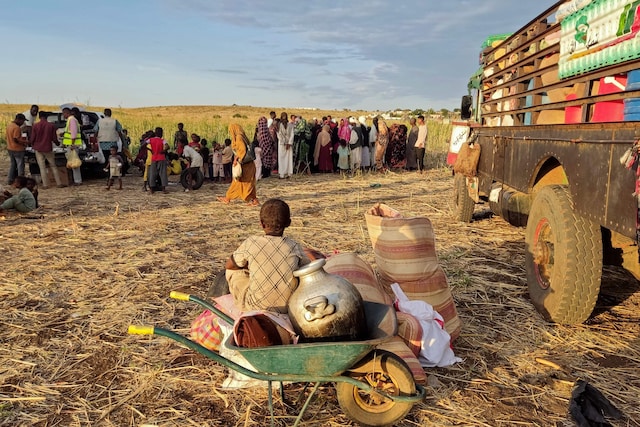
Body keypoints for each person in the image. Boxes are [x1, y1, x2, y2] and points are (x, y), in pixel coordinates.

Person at [225, 198, 311, 313]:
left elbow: (229, 265)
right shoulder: (294, 246)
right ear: (289, 223)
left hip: (255, 307)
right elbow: (308, 270)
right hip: (289, 307)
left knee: (233, 271)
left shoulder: (251, 243)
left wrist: (248, 267)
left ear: (261, 223)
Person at [217, 123, 259, 206]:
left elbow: (242, 150)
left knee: (240, 182)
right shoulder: (243, 137)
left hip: (245, 165)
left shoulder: (239, 138)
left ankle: (228, 198)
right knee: (248, 182)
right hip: (248, 165)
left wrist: (236, 159)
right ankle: (254, 200)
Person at [30, 111, 64, 188]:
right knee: (53, 165)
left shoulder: (35, 126)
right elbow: (54, 138)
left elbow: (32, 138)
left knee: (42, 167)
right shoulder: (51, 125)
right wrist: (59, 144)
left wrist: (32, 144)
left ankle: (45, 185)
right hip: (48, 147)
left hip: (38, 148)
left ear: (39, 117)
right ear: (46, 117)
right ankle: (59, 183)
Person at [5, 113, 29, 185]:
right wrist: (26, 142)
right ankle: (20, 181)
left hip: (10, 148)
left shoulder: (9, 126)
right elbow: (16, 139)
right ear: (19, 120)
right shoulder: (16, 128)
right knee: (20, 165)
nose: (23, 123)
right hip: (18, 149)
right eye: (22, 121)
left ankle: (10, 179)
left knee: (13, 165)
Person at [61, 108, 83, 185]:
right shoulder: (71, 120)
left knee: (74, 164)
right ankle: (74, 180)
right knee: (72, 163)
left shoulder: (72, 120)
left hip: (72, 145)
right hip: (70, 145)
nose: (63, 115)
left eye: (63, 114)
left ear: (66, 113)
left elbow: (73, 134)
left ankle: (77, 181)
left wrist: (72, 144)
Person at [147, 127, 169, 194]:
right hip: (161, 157)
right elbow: (168, 146)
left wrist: (151, 150)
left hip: (154, 158)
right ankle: (163, 189)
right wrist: (164, 151)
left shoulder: (151, 140)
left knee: (153, 174)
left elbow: (144, 144)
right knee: (162, 174)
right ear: (161, 133)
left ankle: (152, 189)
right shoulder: (162, 140)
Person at [277, 112, 294, 179]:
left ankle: (286, 173)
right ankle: (285, 173)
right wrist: (287, 143)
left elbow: (291, 134)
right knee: (285, 159)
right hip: (284, 144)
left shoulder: (288, 125)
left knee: (286, 159)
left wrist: (287, 143)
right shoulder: (281, 125)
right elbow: (279, 134)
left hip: (285, 144)